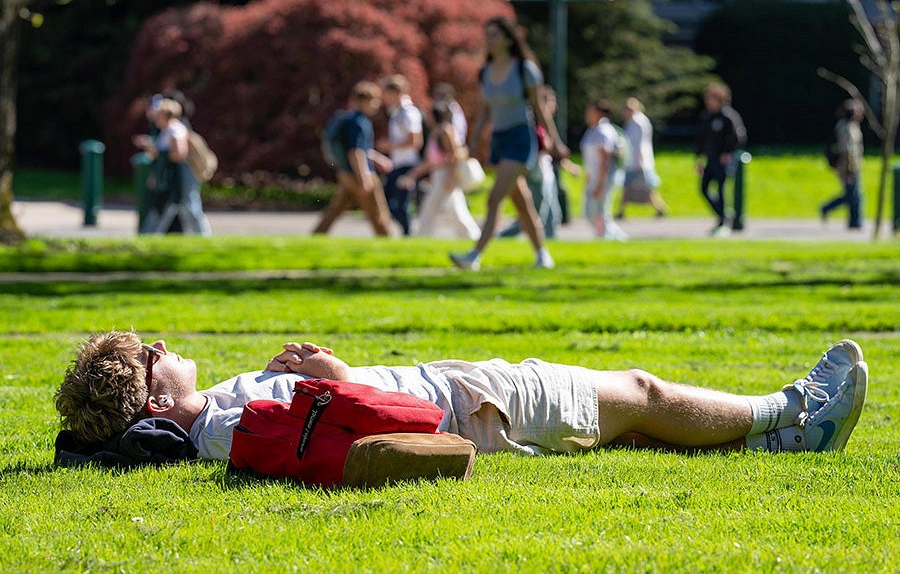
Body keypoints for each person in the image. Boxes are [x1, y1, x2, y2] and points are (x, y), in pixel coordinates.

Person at [56, 331, 869, 461]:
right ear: (153, 404)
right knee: (639, 392)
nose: (160, 344)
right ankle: (793, 406)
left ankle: (782, 439)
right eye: (148, 357)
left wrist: (294, 370)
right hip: (474, 406)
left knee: (626, 421)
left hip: (467, 393)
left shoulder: (218, 412)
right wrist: (335, 373)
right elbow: (359, 428)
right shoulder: (228, 426)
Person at [450, 17, 569, 271]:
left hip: (520, 138)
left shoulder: (525, 69)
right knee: (521, 202)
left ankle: (474, 256)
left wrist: (556, 142)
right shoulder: (486, 71)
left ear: (508, 38)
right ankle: (542, 255)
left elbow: (540, 108)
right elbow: (484, 111)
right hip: (499, 139)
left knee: (494, 198)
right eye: (487, 35)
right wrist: (473, 141)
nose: (489, 40)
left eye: (494, 35)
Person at [312, 81, 393, 236]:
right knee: (377, 212)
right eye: (374, 100)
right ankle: (387, 241)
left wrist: (377, 158)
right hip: (358, 173)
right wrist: (364, 178)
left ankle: (317, 236)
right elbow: (356, 152)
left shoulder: (352, 120)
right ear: (363, 101)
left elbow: (362, 149)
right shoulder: (359, 122)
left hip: (345, 172)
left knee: (336, 209)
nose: (377, 104)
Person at [398, 103, 481, 239]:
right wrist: (413, 175)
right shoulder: (435, 132)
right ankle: (471, 236)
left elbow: (453, 156)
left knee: (431, 208)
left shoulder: (445, 130)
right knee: (455, 210)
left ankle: (423, 236)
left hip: (445, 175)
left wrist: (450, 178)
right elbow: (430, 162)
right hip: (439, 174)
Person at [132, 95, 211, 236]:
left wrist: (159, 153)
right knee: (167, 207)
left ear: (165, 115)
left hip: (181, 176)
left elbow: (179, 154)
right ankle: (149, 235)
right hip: (172, 177)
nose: (155, 118)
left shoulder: (175, 130)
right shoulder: (166, 131)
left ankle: (203, 236)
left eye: (158, 115)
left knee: (188, 207)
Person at [498, 86, 563, 240]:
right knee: (535, 213)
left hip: (545, 170)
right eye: (550, 101)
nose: (553, 105)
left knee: (551, 212)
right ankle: (503, 237)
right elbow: (538, 147)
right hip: (535, 171)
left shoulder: (543, 125)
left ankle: (550, 241)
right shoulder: (533, 124)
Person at [694, 83, 747, 236]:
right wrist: (699, 158)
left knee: (721, 188)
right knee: (704, 188)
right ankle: (723, 214)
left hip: (723, 160)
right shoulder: (706, 117)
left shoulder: (728, 116)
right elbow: (701, 140)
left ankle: (724, 220)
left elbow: (739, 138)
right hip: (710, 159)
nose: (708, 102)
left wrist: (728, 153)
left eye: (711, 99)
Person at [377, 75, 424, 237]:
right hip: (397, 163)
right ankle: (406, 233)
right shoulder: (396, 113)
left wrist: (390, 145)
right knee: (387, 201)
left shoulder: (408, 113)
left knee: (398, 204)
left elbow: (415, 140)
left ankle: (408, 233)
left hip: (407, 164)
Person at [581, 100, 627, 241]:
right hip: (594, 177)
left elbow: (605, 160)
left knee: (601, 211)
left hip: (603, 178)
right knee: (590, 212)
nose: (587, 114)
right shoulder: (592, 130)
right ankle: (605, 235)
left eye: (591, 111)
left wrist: (601, 183)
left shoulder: (604, 131)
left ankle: (613, 236)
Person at [616, 97, 668, 219]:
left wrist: (640, 161)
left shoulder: (638, 122)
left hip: (638, 161)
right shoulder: (634, 122)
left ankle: (621, 211)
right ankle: (659, 208)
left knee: (641, 187)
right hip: (634, 160)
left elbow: (639, 144)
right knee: (633, 187)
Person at [821, 99, 864, 230]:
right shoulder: (846, 127)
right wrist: (849, 170)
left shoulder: (851, 126)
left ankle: (854, 221)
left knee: (853, 195)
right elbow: (848, 150)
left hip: (852, 166)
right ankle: (854, 221)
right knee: (853, 195)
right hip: (848, 167)